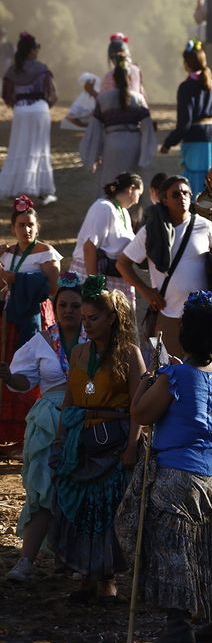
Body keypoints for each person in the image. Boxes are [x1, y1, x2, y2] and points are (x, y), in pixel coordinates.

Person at [121, 292, 212, 643]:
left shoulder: (172, 376)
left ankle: (178, 626)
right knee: (210, 545)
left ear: (186, 335)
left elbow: (140, 414)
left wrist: (149, 379)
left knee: (171, 547)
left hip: (177, 475)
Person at [50, 281, 144, 600]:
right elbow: (69, 401)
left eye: (93, 318)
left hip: (114, 444)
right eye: (84, 319)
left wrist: (132, 446)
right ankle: (86, 577)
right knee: (82, 509)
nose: (86, 324)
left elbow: (138, 407)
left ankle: (107, 578)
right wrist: (60, 442)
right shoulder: (78, 352)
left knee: (107, 512)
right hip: (80, 443)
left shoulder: (129, 354)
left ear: (112, 319)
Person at [4, 272, 86, 581]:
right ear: (54, 306)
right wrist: (10, 378)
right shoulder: (42, 340)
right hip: (48, 420)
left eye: (75, 305)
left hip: (84, 417)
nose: (68, 311)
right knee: (42, 487)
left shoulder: (94, 339)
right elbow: (24, 381)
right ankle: (26, 560)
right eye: (63, 305)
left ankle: (77, 559)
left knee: (79, 488)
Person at [118, 176, 212, 362]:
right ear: (164, 200)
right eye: (175, 194)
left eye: (186, 193)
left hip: (202, 314)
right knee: (168, 369)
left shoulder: (205, 225)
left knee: (205, 367)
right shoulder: (151, 231)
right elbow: (122, 263)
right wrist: (147, 292)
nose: (181, 197)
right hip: (168, 315)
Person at [1, 196, 62, 451]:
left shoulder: (46, 253)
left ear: (38, 227)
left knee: (34, 366)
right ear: (12, 227)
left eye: (30, 225)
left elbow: (54, 287)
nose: (26, 229)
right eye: (21, 225)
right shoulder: (7, 254)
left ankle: (33, 430)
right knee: (10, 366)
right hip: (9, 319)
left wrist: (17, 279)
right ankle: (9, 432)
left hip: (37, 317)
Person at [81, 49, 156, 189]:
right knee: (132, 185)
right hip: (134, 144)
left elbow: (94, 130)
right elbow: (148, 128)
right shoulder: (138, 99)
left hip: (112, 143)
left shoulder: (103, 99)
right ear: (130, 78)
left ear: (114, 78)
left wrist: (93, 156)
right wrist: (145, 155)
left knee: (111, 184)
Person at [0, 32, 57, 204]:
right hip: (40, 109)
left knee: (19, 147)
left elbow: (6, 94)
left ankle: (13, 188)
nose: (38, 50)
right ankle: (42, 191)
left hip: (21, 110)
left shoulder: (13, 69)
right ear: (31, 50)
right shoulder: (42, 68)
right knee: (39, 148)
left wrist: (18, 105)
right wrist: (44, 105)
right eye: (37, 47)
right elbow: (52, 94)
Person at [161, 42, 212, 193]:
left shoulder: (186, 87)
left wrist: (169, 143)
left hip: (196, 141)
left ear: (187, 64)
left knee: (195, 185)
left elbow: (185, 123)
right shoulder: (210, 84)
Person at [71, 172, 142, 299]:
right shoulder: (103, 207)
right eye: (139, 194)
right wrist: (94, 285)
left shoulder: (123, 212)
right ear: (131, 189)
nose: (137, 201)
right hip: (94, 274)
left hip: (115, 275)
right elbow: (89, 247)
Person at [99, 33, 144, 98]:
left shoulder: (109, 76)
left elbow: (102, 99)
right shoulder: (136, 70)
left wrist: (92, 92)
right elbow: (142, 94)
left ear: (112, 59)